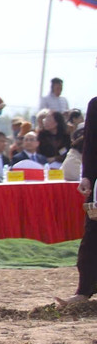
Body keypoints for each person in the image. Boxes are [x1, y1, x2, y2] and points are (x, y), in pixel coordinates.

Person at [58, 90, 96, 308]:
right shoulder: (95, 105)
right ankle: (84, 291)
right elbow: (91, 145)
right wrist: (87, 176)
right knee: (93, 233)